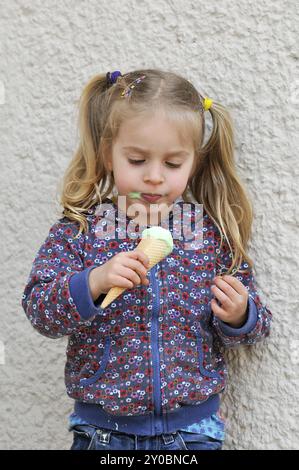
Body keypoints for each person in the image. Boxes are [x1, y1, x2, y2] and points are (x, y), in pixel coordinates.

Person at [21, 69, 272, 451]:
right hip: (102, 434)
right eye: (137, 160)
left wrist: (240, 315)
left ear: (194, 163)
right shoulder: (80, 231)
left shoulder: (209, 234)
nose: (154, 177)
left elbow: (258, 325)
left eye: (173, 164)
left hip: (192, 432)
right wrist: (93, 281)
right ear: (109, 155)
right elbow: (39, 309)